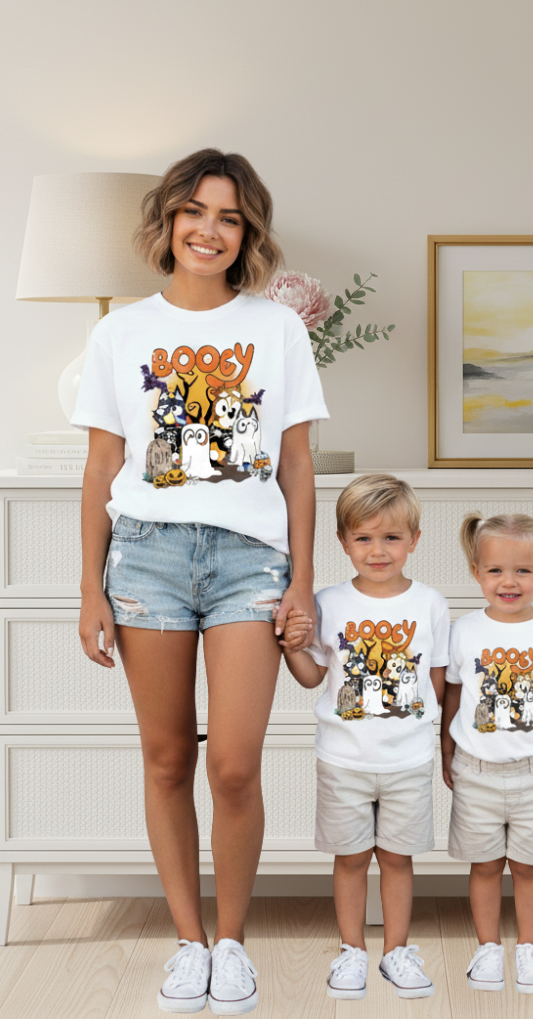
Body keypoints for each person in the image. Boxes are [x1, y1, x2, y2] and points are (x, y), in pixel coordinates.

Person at [72, 148, 327, 1015]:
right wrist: (87, 587)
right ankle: (187, 943)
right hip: (145, 553)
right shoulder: (120, 332)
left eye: (228, 216)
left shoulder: (275, 329)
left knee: (237, 768)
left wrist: (302, 580)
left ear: (246, 231)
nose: (209, 230)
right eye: (194, 212)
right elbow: (103, 461)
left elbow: (296, 464)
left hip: (249, 559)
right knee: (168, 756)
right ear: (168, 223)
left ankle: (231, 942)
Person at [279, 474, 450, 1001]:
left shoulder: (430, 604)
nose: (378, 551)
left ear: (415, 540)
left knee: (398, 858)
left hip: (409, 760)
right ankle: (352, 952)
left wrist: (442, 748)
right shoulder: (328, 602)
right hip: (342, 759)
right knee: (350, 858)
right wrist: (291, 647)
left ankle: (396, 952)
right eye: (364, 538)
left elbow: (438, 686)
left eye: (392, 538)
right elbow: (313, 677)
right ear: (343, 541)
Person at [440, 511, 533, 995]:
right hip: (475, 772)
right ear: (476, 572)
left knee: (528, 866)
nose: (509, 582)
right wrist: (446, 752)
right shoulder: (463, 632)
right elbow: (452, 698)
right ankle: (488, 949)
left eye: (523, 571)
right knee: (483, 866)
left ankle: (529, 949)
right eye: (496, 571)